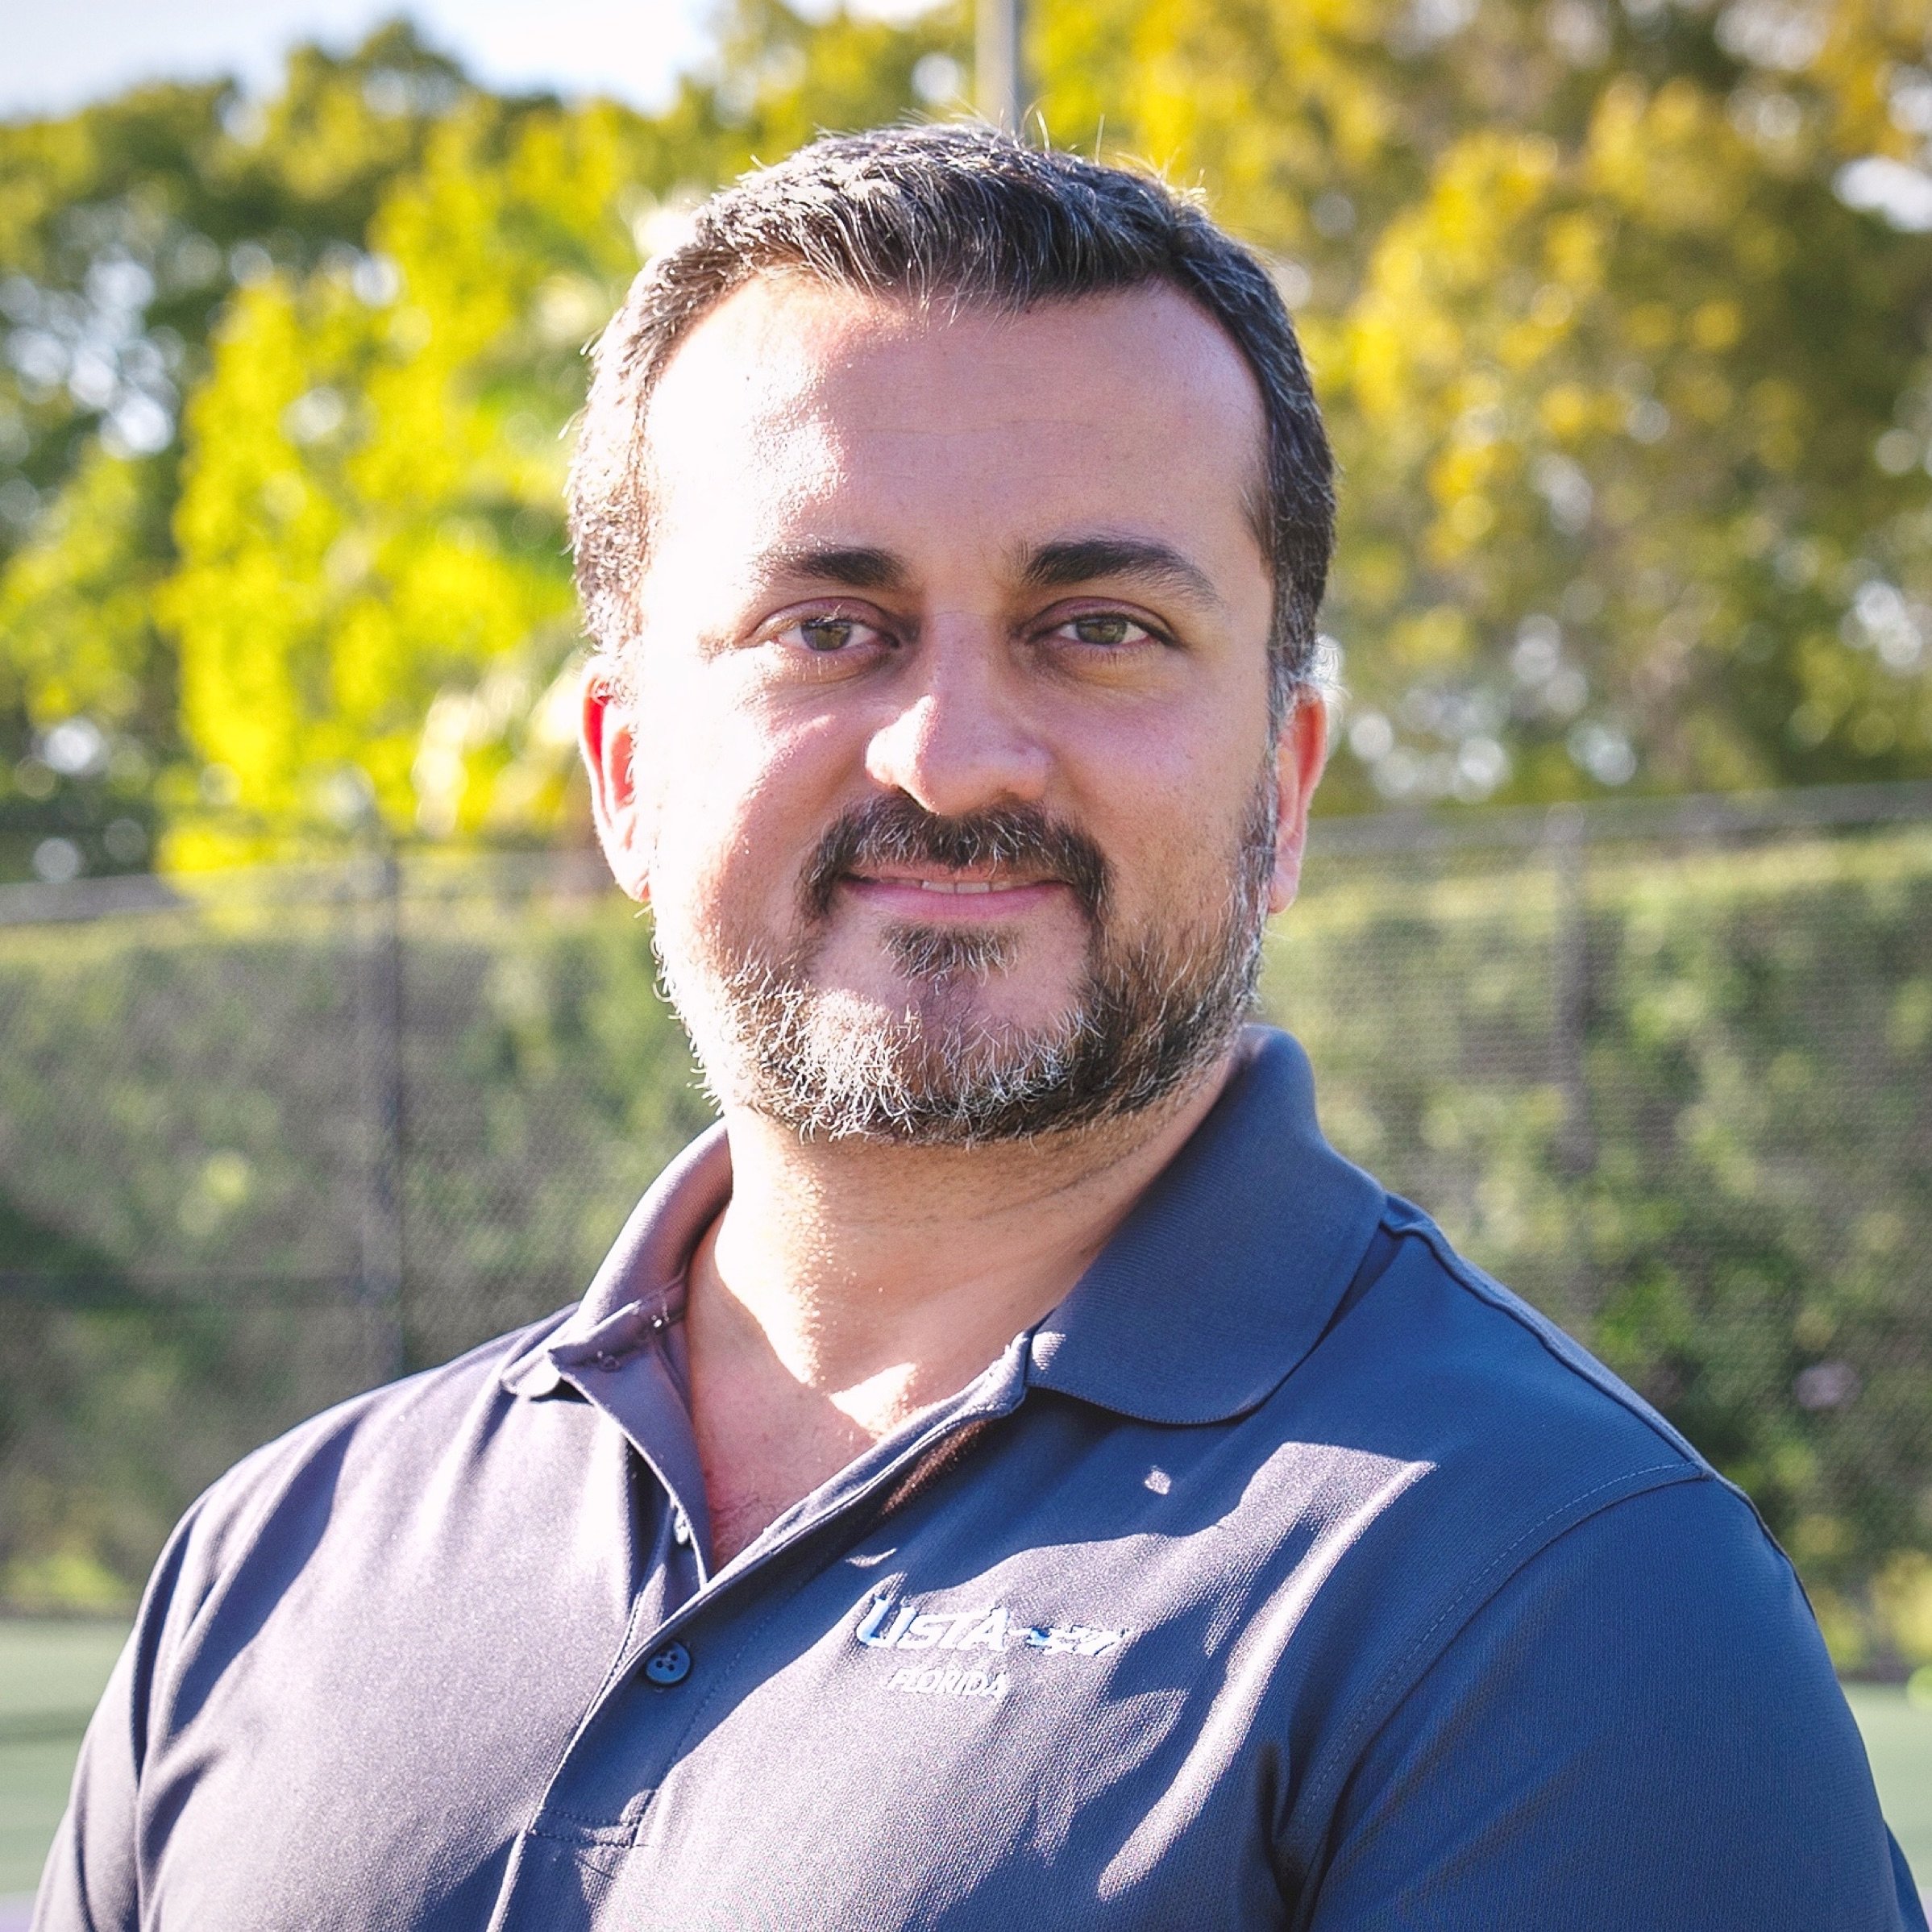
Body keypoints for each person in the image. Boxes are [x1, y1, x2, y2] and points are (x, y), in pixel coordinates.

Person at [36, 125, 1924, 1932]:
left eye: (1093, 624)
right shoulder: (271, 1555)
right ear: (623, 771)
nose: (948, 755)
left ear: (1282, 781)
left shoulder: (1565, 1591)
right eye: (824, 626)